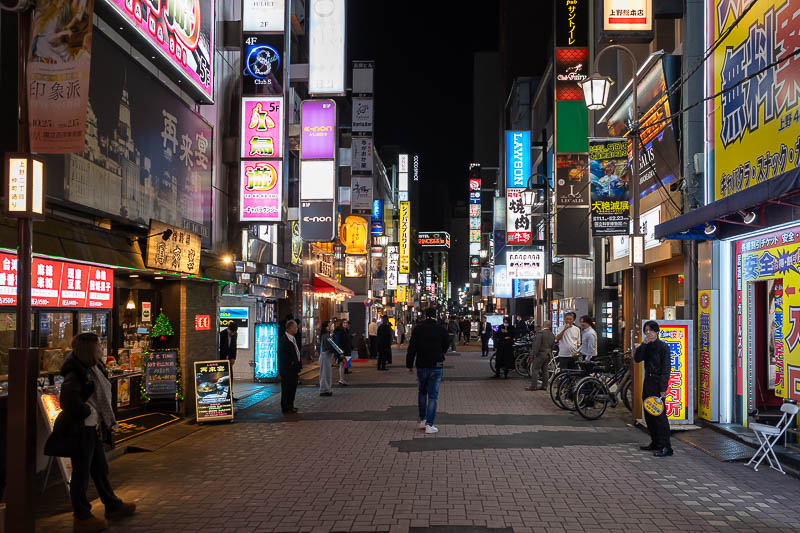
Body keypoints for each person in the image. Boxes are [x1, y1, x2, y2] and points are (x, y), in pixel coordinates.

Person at [59, 332, 136, 532]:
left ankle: (112, 505)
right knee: (81, 473)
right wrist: (88, 412)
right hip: (82, 429)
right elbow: (68, 401)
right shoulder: (76, 372)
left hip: (93, 427)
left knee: (100, 469)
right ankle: (82, 516)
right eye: (98, 345)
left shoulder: (94, 367)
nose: (102, 348)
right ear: (89, 349)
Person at [406, 307, 450, 434]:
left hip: (421, 364)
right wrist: (441, 353)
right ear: (435, 315)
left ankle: (423, 420)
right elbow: (446, 343)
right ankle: (430, 425)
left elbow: (412, 347)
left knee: (422, 392)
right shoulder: (441, 328)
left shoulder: (418, 328)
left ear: (425, 315)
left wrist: (409, 364)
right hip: (436, 364)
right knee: (433, 396)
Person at [635, 320, 673, 457]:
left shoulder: (663, 347)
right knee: (649, 414)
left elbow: (666, 368)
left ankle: (666, 446)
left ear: (657, 332)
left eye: (650, 330)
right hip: (648, 382)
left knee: (660, 416)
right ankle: (655, 442)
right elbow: (637, 359)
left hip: (658, 384)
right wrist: (643, 344)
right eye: (646, 330)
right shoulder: (647, 346)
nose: (648, 333)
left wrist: (663, 387)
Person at [278, 320, 302, 413]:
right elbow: (282, 355)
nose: (297, 329)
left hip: (294, 369)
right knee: (287, 388)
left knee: (292, 388)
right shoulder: (284, 340)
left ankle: (290, 405)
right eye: (295, 327)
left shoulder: (293, 338)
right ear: (289, 328)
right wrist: (291, 363)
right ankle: (286, 407)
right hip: (287, 369)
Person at [527, 321, 556, 391]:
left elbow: (537, 346)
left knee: (535, 369)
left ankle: (533, 386)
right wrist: (550, 352)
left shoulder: (540, 333)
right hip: (548, 354)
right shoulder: (552, 334)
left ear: (543, 325)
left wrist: (534, 354)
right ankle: (545, 385)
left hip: (540, 354)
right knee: (545, 370)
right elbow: (553, 346)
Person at [333, 319, 352, 386]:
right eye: (344, 323)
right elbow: (338, 343)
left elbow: (348, 340)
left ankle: (342, 379)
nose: (345, 324)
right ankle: (341, 379)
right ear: (341, 324)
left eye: (346, 323)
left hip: (347, 350)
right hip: (342, 351)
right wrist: (340, 353)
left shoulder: (346, 331)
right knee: (342, 364)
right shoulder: (340, 332)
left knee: (345, 365)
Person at [318, 321, 334, 396]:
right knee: (325, 373)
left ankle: (326, 389)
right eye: (328, 326)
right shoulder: (326, 336)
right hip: (325, 355)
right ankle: (324, 390)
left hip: (325, 355)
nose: (330, 327)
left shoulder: (325, 335)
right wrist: (338, 352)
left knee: (326, 372)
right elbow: (330, 346)